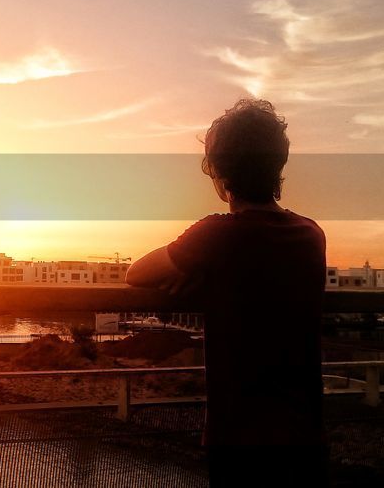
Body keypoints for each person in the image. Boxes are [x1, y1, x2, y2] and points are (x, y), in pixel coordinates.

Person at [125, 99, 328, 485]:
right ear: (278, 166)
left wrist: (200, 273)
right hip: (304, 432)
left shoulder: (215, 235)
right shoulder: (310, 234)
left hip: (240, 434)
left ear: (218, 172)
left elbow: (136, 274)